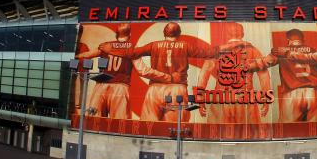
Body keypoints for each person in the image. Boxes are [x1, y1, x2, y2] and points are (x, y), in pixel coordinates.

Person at [101, 22, 245, 122]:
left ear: (164, 32)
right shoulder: (186, 46)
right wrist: (230, 45)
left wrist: (111, 49)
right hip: (177, 88)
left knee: (149, 126)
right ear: (179, 33)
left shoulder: (154, 45)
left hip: (155, 89)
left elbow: (131, 53)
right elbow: (208, 52)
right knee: (175, 128)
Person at [76, 23, 173, 119]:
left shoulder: (105, 46)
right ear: (129, 35)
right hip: (120, 88)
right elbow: (142, 70)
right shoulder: (132, 48)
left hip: (100, 87)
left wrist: (72, 56)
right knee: (119, 124)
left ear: (116, 34)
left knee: (93, 121)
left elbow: (86, 55)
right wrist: (166, 76)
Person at [196, 22, 272, 124]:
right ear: (243, 33)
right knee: (247, 135)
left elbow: (203, 76)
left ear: (227, 34)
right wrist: (266, 99)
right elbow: (264, 77)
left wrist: (200, 99)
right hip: (246, 97)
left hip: (221, 96)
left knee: (219, 134)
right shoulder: (253, 50)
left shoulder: (217, 51)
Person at [247, 29, 317, 122]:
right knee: (316, 128)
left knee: (288, 130)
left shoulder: (281, 51)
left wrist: (245, 67)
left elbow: (263, 63)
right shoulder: (314, 50)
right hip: (314, 93)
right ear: (303, 40)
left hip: (292, 94)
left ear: (288, 40)